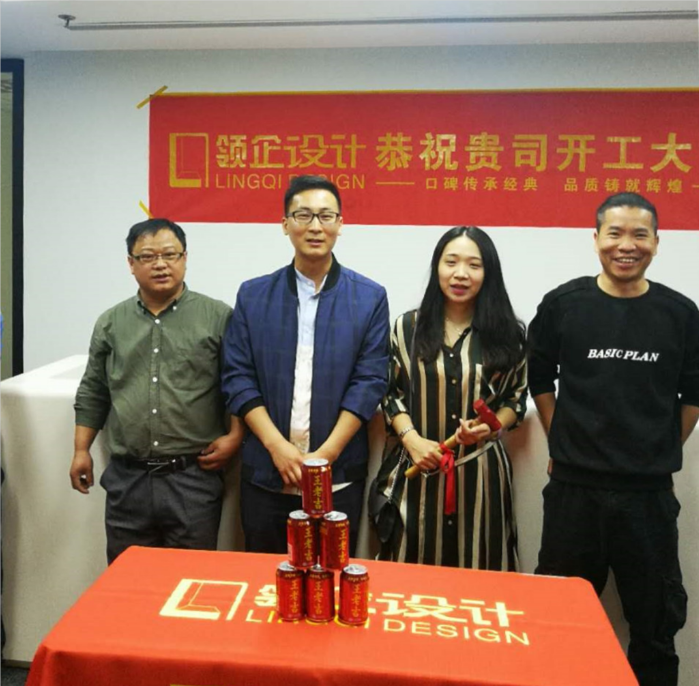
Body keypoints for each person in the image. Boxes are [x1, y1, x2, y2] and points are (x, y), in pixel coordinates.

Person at [528, 192, 699, 686]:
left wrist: (661, 446)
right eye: (615, 233)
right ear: (596, 239)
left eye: (639, 235)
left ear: (657, 242)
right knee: (557, 623)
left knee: (655, 629)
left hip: (648, 498)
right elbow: (538, 377)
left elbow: (694, 394)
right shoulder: (564, 304)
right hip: (574, 494)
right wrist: (561, 437)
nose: (627, 245)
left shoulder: (679, 313)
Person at [222, 175, 390, 554]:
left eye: (326, 216)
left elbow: (369, 382)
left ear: (340, 224)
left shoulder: (369, 298)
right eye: (303, 215)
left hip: (338, 478)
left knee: (332, 579)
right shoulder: (253, 295)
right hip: (266, 476)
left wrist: (325, 457)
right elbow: (238, 378)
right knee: (265, 580)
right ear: (285, 224)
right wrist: (276, 447)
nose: (315, 226)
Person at [70, 218, 243, 563]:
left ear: (185, 258)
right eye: (148, 256)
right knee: (128, 580)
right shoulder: (111, 322)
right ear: (131, 263)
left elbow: (238, 383)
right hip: (128, 479)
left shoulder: (218, 316)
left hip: (192, 478)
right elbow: (94, 390)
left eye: (169, 254)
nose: (160, 264)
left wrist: (236, 435)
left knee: (191, 581)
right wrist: (80, 449)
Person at [379, 225, 527, 568]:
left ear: (488, 273)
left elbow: (515, 399)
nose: (461, 274)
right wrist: (412, 440)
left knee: (482, 571)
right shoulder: (406, 327)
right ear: (437, 267)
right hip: (418, 469)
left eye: (474, 265)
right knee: (412, 573)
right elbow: (389, 392)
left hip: (482, 475)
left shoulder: (509, 333)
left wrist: (491, 427)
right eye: (451, 262)